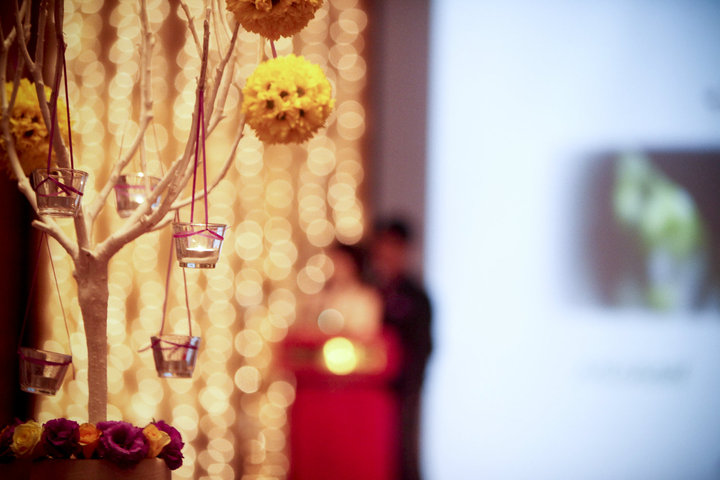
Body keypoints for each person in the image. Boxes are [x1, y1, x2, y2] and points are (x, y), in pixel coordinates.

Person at [370, 219, 432, 480]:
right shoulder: (371, 291)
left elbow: (423, 348)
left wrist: (403, 380)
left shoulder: (415, 297)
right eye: (382, 246)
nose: (387, 253)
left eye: (393, 246)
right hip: (369, 393)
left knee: (402, 452)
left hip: (402, 391)